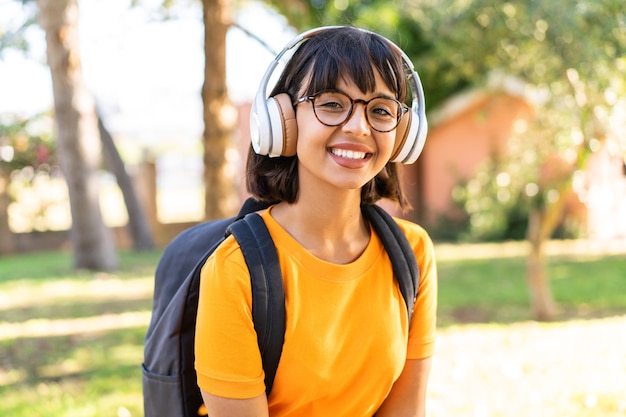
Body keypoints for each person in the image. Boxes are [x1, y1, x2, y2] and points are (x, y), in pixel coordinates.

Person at [194, 26, 437, 417]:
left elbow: (405, 411)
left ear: (403, 131)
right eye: (332, 103)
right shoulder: (234, 270)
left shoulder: (412, 252)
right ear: (283, 120)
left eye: (380, 110)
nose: (359, 127)